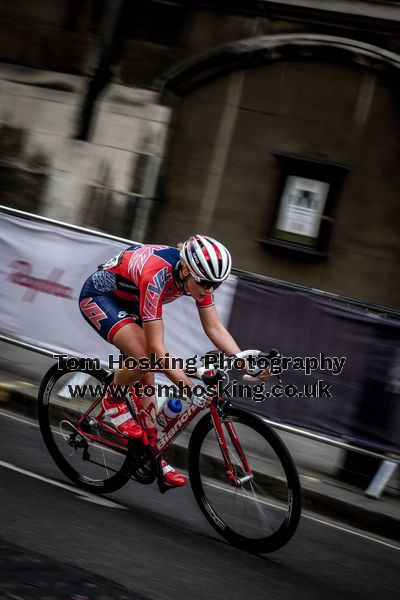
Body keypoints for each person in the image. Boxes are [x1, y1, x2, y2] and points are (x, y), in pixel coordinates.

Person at [79, 234, 268, 489]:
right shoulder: (157, 275)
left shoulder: (198, 278)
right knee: (145, 358)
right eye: (205, 283)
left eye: (217, 285)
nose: (209, 290)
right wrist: (189, 387)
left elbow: (214, 328)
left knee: (147, 378)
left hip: (133, 301)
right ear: (187, 269)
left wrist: (245, 361)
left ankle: (150, 454)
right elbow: (156, 349)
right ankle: (112, 400)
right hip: (101, 297)